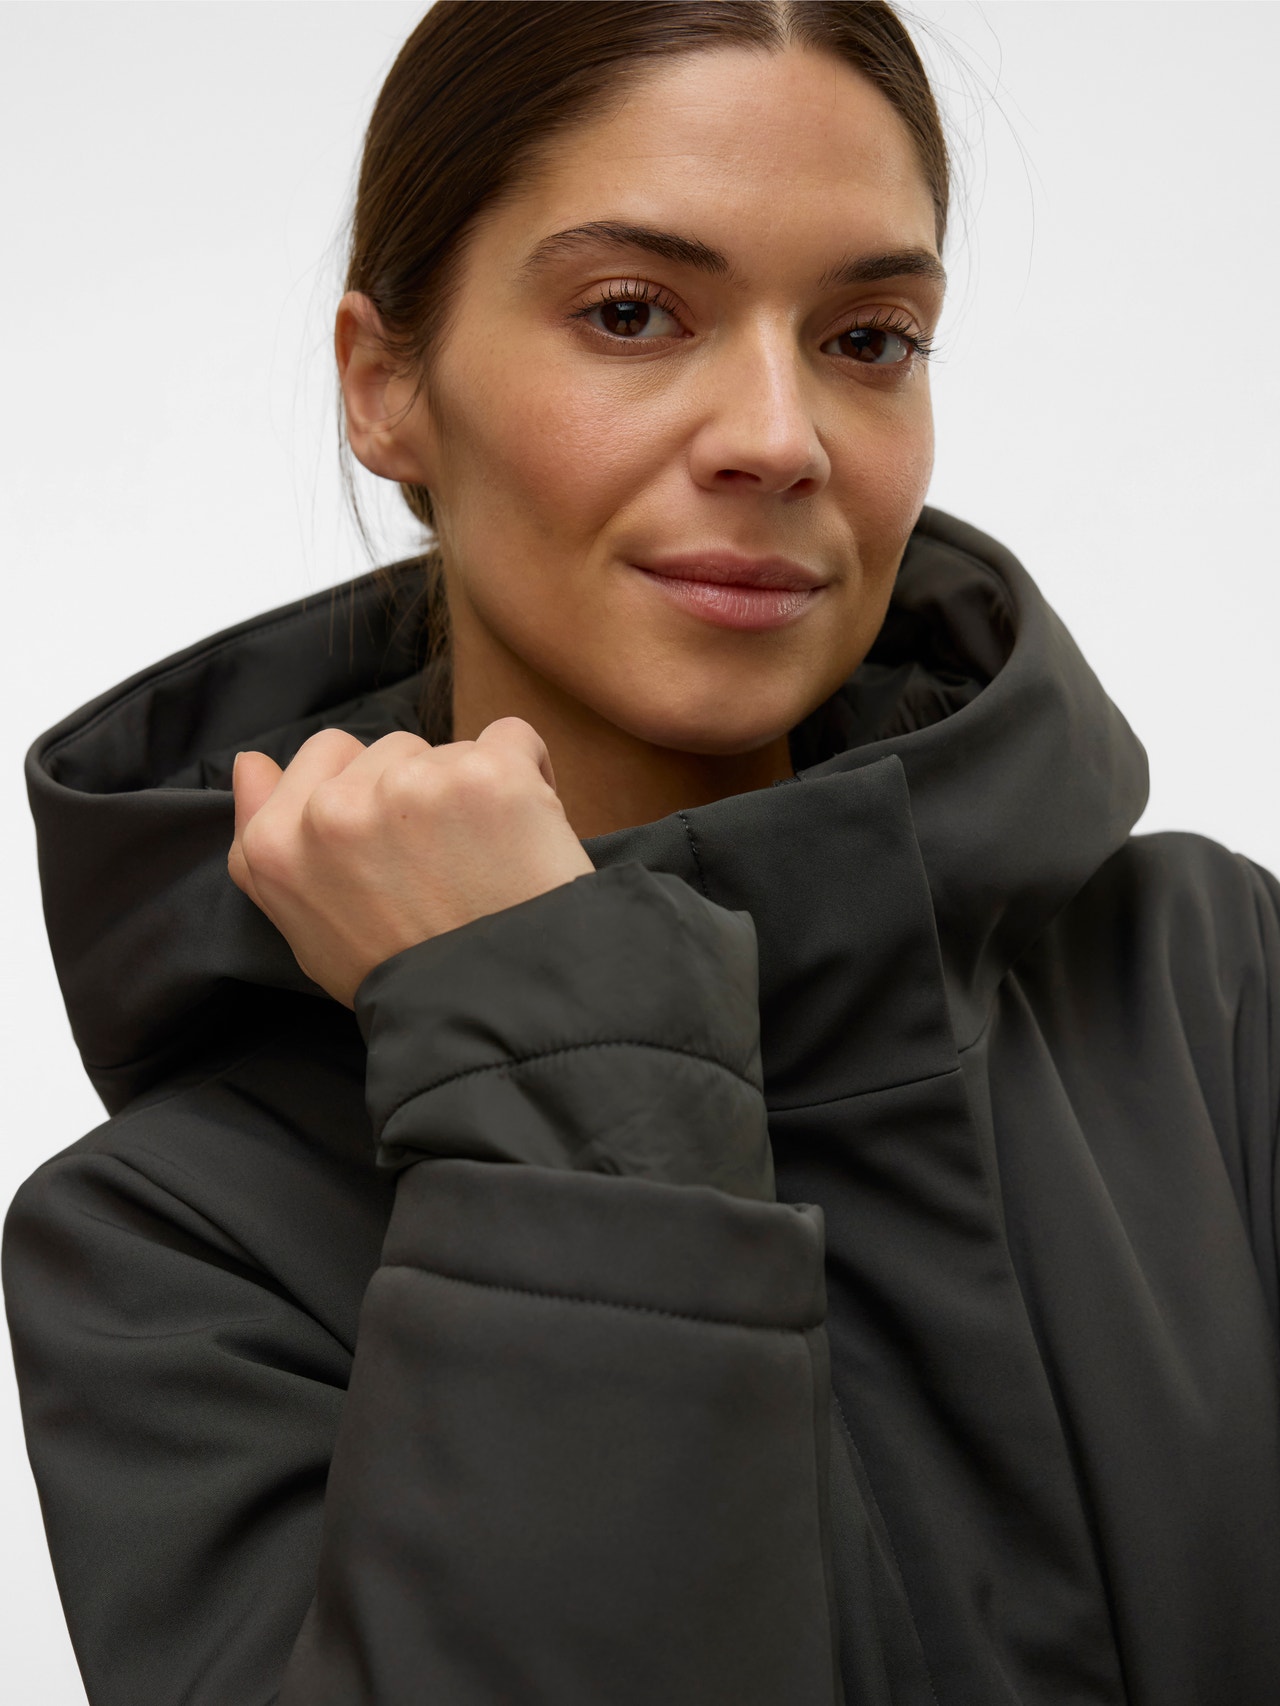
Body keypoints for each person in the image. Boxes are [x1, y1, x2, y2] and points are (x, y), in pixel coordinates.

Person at [5, 2, 1280, 1702]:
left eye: (870, 337)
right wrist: (551, 1039)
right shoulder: (174, 1245)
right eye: (631, 312)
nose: (780, 435)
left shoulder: (1211, 989)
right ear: (386, 385)